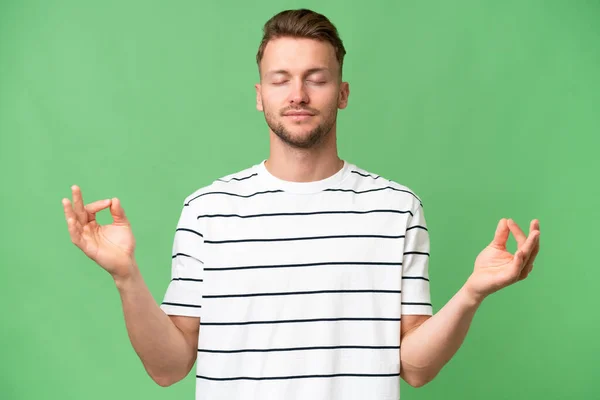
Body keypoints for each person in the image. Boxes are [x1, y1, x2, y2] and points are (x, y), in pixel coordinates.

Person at [61, 8, 541, 400]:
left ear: (343, 93)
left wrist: (472, 293)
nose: (297, 95)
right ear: (259, 95)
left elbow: (414, 367)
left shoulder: (396, 208)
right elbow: (168, 368)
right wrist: (126, 277)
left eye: (316, 78)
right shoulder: (207, 209)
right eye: (281, 79)